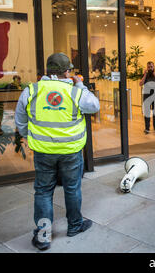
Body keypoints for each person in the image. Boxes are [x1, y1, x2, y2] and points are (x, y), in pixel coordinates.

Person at [15, 53, 100, 251]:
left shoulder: (32, 90)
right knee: (72, 187)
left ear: (48, 70)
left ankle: (43, 236)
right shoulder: (75, 91)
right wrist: (80, 84)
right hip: (71, 150)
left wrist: (31, 137)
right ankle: (75, 225)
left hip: (43, 151)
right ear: (67, 71)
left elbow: (20, 119)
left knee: (43, 191)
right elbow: (94, 106)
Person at [139, 61, 155, 134]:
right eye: (149, 67)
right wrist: (144, 75)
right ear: (147, 68)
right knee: (147, 112)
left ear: (154, 67)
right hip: (146, 96)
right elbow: (140, 84)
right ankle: (147, 128)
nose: (150, 68)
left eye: (151, 67)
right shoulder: (145, 75)